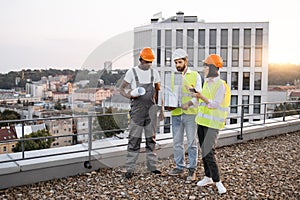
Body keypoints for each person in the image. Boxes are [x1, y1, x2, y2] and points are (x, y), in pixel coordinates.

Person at [119, 47, 162, 179]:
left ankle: (152, 166)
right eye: (146, 61)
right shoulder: (131, 72)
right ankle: (130, 168)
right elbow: (121, 89)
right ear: (140, 60)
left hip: (151, 111)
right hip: (137, 112)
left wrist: (161, 109)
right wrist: (130, 96)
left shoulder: (155, 73)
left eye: (150, 62)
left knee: (151, 140)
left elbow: (158, 92)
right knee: (134, 140)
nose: (148, 64)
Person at [191, 54, 231, 194]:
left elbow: (214, 104)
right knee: (204, 151)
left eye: (206, 67)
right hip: (201, 122)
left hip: (213, 124)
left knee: (209, 152)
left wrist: (201, 96)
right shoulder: (206, 83)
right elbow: (203, 103)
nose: (204, 69)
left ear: (213, 68)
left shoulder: (221, 85)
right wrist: (196, 96)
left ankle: (218, 181)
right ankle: (208, 177)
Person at [167, 49, 202, 182]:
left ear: (186, 61)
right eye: (176, 62)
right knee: (177, 142)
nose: (177, 65)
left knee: (192, 143)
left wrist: (189, 103)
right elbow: (170, 94)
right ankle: (179, 166)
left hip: (191, 115)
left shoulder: (195, 76)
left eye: (180, 62)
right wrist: (167, 105)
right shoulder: (172, 77)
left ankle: (192, 169)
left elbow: (198, 95)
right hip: (176, 114)